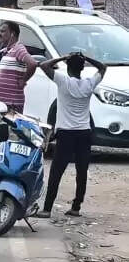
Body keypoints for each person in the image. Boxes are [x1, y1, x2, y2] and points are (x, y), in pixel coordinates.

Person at [39, 51, 105, 218]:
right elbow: (102, 68)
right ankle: (76, 207)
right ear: (82, 69)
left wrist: (63, 57)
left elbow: (44, 65)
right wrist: (87, 58)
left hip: (66, 133)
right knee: (81, 172)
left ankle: (47, 209)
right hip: (84, 133)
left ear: (68, 67)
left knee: (56, 172)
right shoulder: (89, 84)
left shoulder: (63, 81)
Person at [0, 21, 40, 112]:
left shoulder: (18, 49)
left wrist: (23, 80)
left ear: (12, 34)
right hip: (2, 103)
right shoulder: (6, 51)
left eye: (3, 31)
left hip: (12, 103)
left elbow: (32, 64)